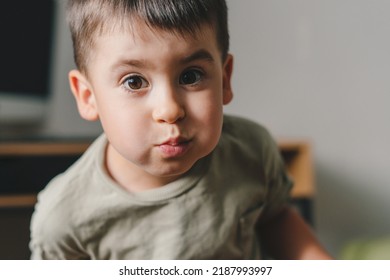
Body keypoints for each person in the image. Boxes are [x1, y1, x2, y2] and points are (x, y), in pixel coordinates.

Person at [29, 0, 332, 260]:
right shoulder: (63, 218)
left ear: (224, 80)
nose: (170, 109)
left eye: (191, 75)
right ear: (87, 96)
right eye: (134, 81)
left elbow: (276, 218)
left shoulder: (252, 151)